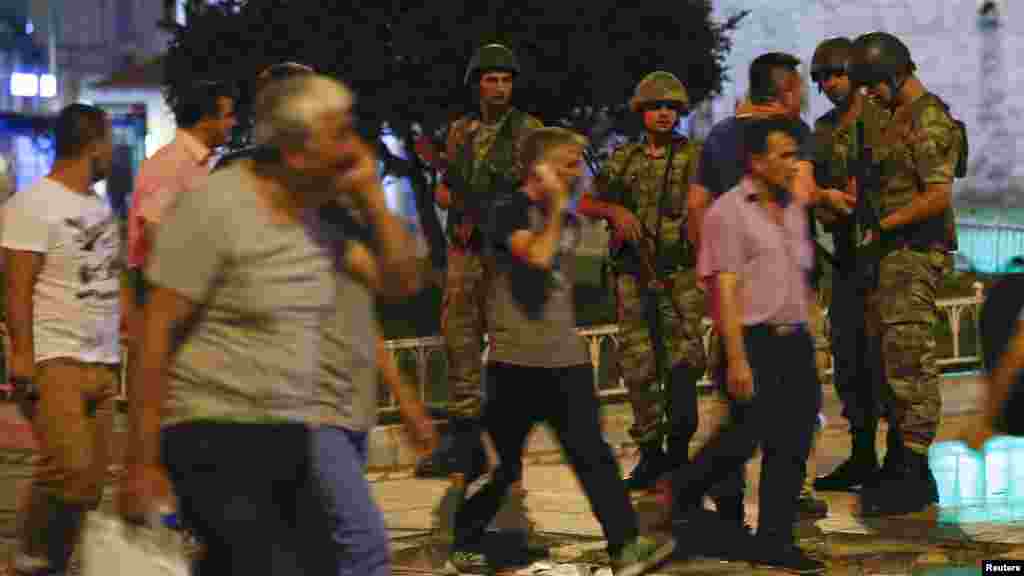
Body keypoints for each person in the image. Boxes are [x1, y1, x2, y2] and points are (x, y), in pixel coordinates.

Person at [118, 74, 378, 575]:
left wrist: (373, 198)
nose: (354, 147)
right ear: (297, 149)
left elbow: (397, 280)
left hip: (287, 431)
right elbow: (156, 333)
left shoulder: (318, 218)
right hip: (210, 431)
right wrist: (141, 462)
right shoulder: (215, 206)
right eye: (339, 134)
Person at [447, 126, 672, 576]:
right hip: (515, 365)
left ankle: (624, 547)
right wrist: (552, 210)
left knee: (595, 458)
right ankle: (465, 544)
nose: (578, 172)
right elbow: (535, 257)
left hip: (566, 361)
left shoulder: (567, 218)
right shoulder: (508, 210)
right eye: (569, 163)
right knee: (499, 466)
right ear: (540, 169)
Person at [687, 52, 854, 528]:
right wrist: (828, 197)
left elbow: (696, 206)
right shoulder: (792, 134)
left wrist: (712, 268)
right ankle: (778, 499)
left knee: (744, 417)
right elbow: (803, 194)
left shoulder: (718, 136)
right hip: (768, 311)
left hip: (746, 300)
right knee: (769, 424)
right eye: (801, 87)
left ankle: (734, 507)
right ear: (786, 92)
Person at [671, 118, 826, 573]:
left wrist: (811, 335)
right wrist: (736, 358)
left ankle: (775, 539)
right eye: (782, 154)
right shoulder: (728, 212)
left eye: (794, 154)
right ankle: (680, 493)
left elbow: (801, 279)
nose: (792, 162)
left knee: (793, 443)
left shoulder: (795, 208)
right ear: (755, 161)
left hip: (794, 341)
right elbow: (724, 289)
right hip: (752, 342)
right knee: (741, 438)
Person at [848, 31, 963, 515]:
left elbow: (938, 194)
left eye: (873, 83)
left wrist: (883, 224)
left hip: (915, 254)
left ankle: (915, 470)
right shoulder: (894, 116)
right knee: (892, 359)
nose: (868, 93)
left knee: (912, 360)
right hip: (892, 255)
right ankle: (902, 464)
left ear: (894, 76)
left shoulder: (929, 117)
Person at [5, 104, 121, 576]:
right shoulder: (30, 206)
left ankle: (49, 565)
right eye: (108, 143)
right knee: (66, 469)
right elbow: (16, 288)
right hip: (58, 358)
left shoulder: (97, 206)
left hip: (104, 360)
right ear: (92, 145)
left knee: (89, 486)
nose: (112, 152)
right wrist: (23, 356)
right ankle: (27, 561)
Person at [576, 71, 705, 492]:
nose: (663, 114)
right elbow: (587, 202)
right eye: (655, 107)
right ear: (641, 113)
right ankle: (651, 455)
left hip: (679, 275)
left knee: (684, 362)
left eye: (670, 107)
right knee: (638, 366)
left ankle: (680, 454)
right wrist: (617, 214)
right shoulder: (623, 160)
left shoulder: (694, 157)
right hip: (633, 275)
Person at [423, 44, 544, 481]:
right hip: (465, 251)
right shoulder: (460, 132)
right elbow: (443, 189)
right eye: (490, 79)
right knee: (459, 338)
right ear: (476, 85)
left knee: (509, 343)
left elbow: (535, 191)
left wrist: (487, 212)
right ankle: (463, 438)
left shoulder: (529, 132)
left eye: (505, 79)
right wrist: (455, 201)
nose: (498, 87)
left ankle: (503, 438)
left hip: (506, 253)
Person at [809, 37, 893, 493]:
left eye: (836, 74)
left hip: (884, 256)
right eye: (821, 78)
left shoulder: (882, 118)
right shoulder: (820, 130)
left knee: (889, 361)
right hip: (842, 257)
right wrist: (825, 205)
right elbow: (813, 189)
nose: (829, 84)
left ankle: (901, 460)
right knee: (849, 360)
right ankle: (862, 455)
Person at [124, 80, 237, 338]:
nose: (233, 124)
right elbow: (156, 233)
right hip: (167, 299)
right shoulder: (172, 164)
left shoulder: (195, 164)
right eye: (228, 116)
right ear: (206, 120)